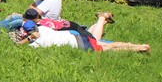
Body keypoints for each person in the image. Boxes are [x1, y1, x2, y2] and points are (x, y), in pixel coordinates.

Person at [18, 18, 150, 53]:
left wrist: (30, 38)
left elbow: (19, 46)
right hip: (77, 36)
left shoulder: (37, 43)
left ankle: (139, 48)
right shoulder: (44, 28)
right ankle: (136, 46)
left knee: (108, 48)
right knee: (105, 44)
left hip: (80, 45)